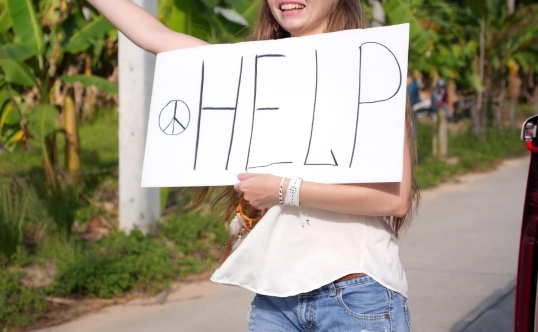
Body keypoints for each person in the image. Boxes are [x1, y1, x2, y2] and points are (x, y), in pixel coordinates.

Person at [89, 0, 420, 331]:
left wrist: (283, 190)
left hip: (355, 294)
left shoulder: (371, 64)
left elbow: (393, 199)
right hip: (275, 299)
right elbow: (153, 35)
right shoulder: (250, 70)